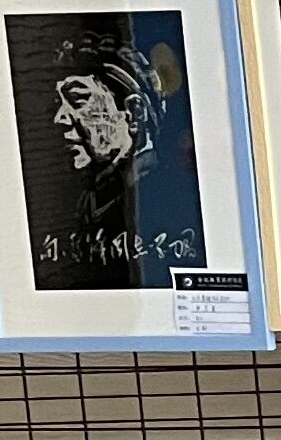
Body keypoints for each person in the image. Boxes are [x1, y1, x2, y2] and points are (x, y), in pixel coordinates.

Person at [38, 27, 207, 289]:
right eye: (57, 105)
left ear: (134, 112)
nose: (59, 119)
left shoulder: (171, 198)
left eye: (78, 100)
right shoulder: (88, 201)